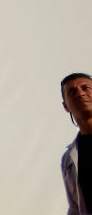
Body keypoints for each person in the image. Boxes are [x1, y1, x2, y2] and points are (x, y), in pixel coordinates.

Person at [61, 72, 92, 214]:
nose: (80, 93)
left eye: (86, 88)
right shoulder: (69, 159)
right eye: (72, 92)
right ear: (65, 106)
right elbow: (75, 209)